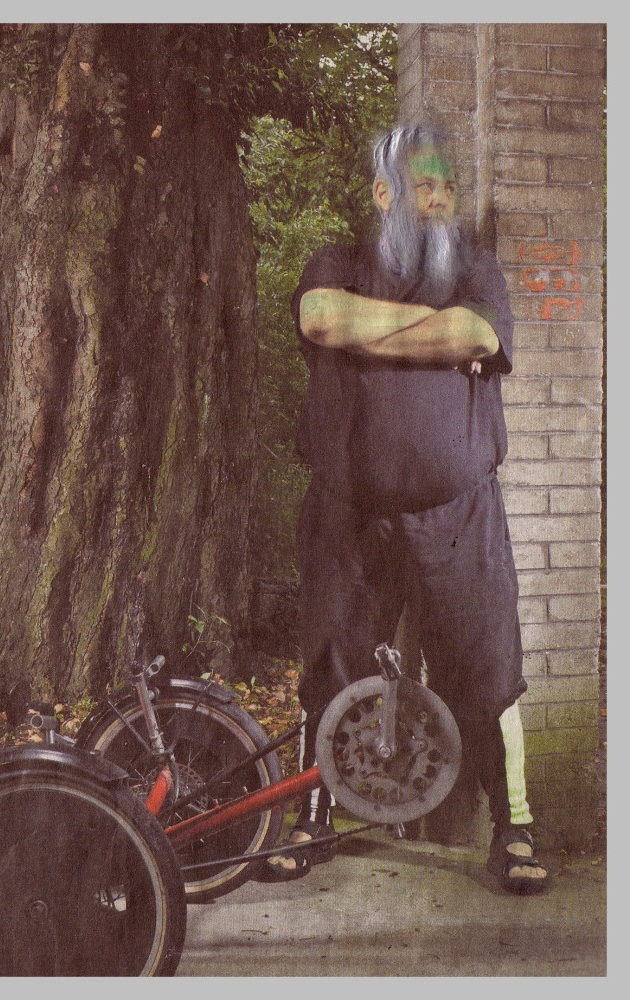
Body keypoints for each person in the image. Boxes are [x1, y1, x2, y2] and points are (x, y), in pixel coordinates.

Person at [260, 120, 548, 893]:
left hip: (458, 514)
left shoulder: (474, 268)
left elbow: (474, 334)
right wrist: (430, 336)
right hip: (348, 512)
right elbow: (321, 317)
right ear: (383, 195)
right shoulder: (338, 261)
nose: (440, 199)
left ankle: (514, 829)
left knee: (486, 668)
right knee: (330, 663)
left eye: (447, 187)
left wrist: (369, 332)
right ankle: (314, 817)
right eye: (424, 187)